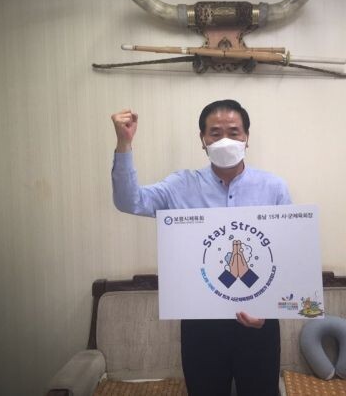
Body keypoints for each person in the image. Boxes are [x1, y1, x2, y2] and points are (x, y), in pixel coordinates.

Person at [111, 99, 291, 396]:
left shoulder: (273, 188)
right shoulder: (180, 186)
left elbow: (285, 256)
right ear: (202, 140)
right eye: (215, 133)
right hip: (201, 325)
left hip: (259, 323)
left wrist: (270, 308)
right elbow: (129, 201)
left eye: (233, 132)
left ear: (247, 137)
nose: (224, 140)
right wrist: (124, 143)